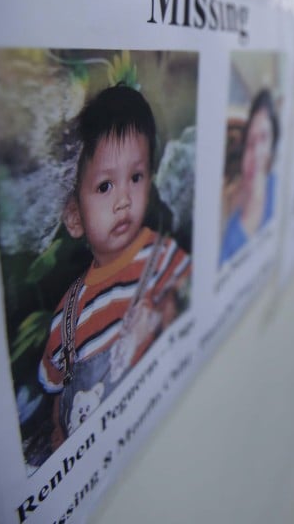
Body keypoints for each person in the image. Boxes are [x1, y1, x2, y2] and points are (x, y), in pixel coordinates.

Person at [39, 85, 191, 445]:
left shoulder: (162, 257)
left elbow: (185, 314)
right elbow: (55, 388)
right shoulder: (69, 317)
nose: (124, 199)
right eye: (105, 186)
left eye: (135, 178)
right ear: (74, 217)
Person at [221, 89, 280, 264]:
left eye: (263, 138)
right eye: (250, 143)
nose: (256, 152)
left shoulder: (276, 188)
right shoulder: (225, 214)